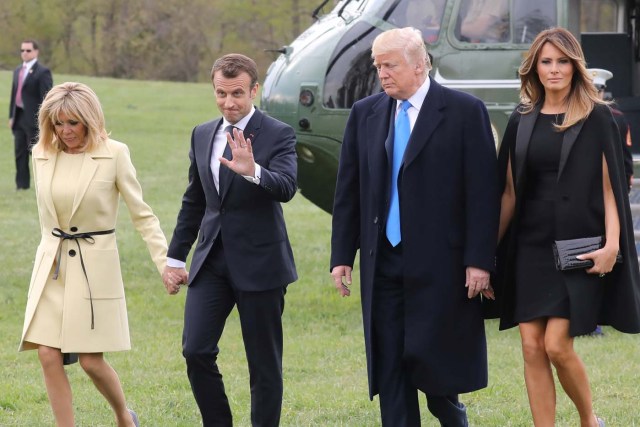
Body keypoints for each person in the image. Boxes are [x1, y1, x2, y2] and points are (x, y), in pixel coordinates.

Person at [330, 27, 499, 426]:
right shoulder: (365, 113)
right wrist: (342, 257)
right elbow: (349, 191)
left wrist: (479, 260)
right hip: (383, 262)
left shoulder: (463, 111)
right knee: (390, 369)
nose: (382, 74)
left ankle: (453, 416)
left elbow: (482, 193)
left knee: (436, 368)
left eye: (390, 65)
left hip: (442, 265)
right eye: (378, 66)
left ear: (420, 65)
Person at [494, 27, 640, 427]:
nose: (554, 69)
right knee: (530, 345)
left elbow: (612, 191)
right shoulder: (521, 118)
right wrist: (488, 253)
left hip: (578, 246)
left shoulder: (598, 117)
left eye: (562, 61)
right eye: (546, 62)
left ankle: (588, 419)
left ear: (575, 67)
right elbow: (507, 193)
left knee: (557, 345)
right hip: (528, 246)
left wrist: (613, 245)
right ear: (534, 68)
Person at [18, 82, 168, 426]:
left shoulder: (114, 153)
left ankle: (123, 416)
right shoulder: (41, 154)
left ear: (89, 119)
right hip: (52, 268)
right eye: (58, 123)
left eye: (73, 123)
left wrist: (164, 263)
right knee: (47, 354)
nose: (65, 131)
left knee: (90, 360)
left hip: (93, 267)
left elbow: (142, 214)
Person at [162, 53, 298, 427]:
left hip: (261, 265)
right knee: (196, 350)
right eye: (221, 93)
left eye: (237, 93)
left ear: (255, 89)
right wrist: (175, 258)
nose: (229, 102)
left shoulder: (279, 134)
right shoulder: (203, 133)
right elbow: (195, 201)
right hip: (212, 263)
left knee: (264, 365)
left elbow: (286, 188)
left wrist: (254, 170)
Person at [8, 39, 53, 190]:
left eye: (28, 50)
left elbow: (47, 98)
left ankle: (44, 185)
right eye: (22, 50)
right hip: (19, 117)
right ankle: (22, 186)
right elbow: (14, 94)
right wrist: (11, 116)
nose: (25, 53)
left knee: (36, 154)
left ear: (36, 52)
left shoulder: (43, 72)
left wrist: (44, 120)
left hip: (34, 120)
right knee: (19, 153)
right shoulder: (17, 70)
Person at [588, 68, 634, 193]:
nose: (596, 93)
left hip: (610, 180)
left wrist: (627, 177)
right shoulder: (574, 117)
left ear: (603, 90)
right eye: (591, 90)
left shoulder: (618, 118)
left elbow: (625, 153)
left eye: (598, 90)